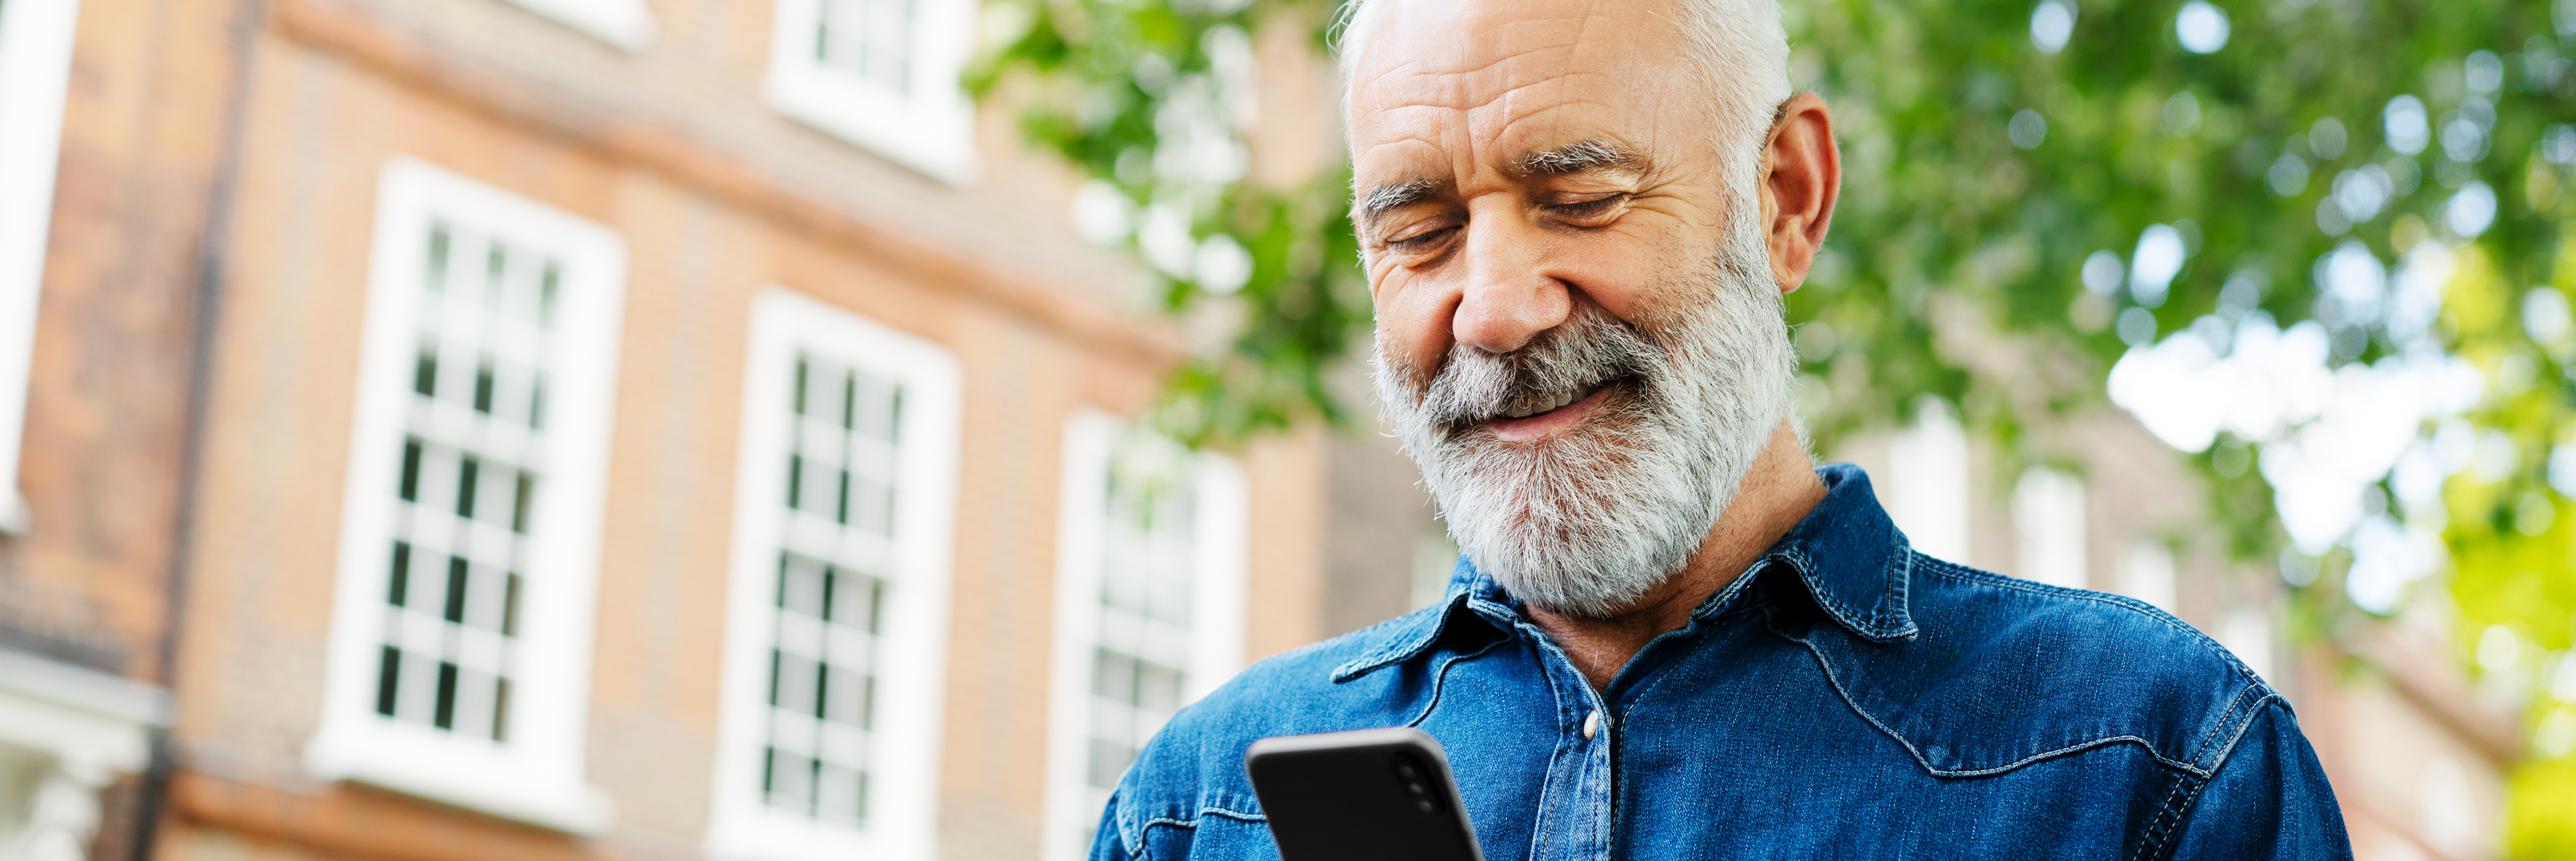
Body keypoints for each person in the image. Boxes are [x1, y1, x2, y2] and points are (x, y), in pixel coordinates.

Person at [1088, 0, 2353, 857]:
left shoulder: (2157, 764)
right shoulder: (1197, 811)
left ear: (1787, 200)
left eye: (1579, 198)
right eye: (1418, 233)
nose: (1493, 309)